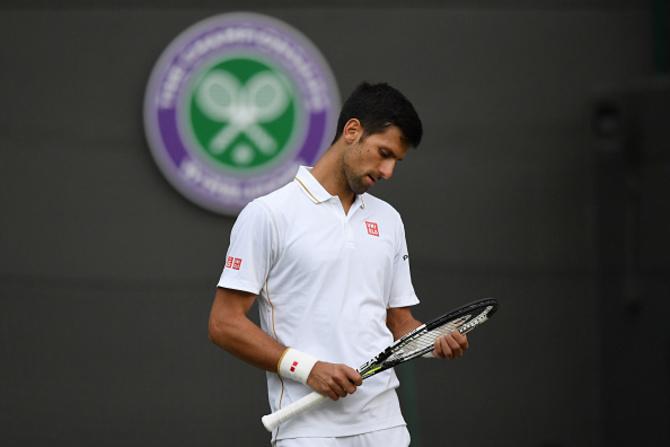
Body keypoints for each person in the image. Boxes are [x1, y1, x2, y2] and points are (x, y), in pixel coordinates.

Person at [208, 82, 469, 446]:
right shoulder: (268, 214)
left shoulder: (389, 220)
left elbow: (400, 322)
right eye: (383, 153)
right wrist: (307, 369)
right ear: (352, 131)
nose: (388, 171)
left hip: (385, 426)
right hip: (308, 431)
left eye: (396, 160)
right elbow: (224, 323)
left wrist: (431, 339)